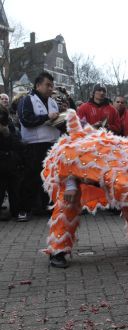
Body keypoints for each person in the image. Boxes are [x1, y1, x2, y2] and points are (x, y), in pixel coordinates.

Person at [16, 71, 61, 222]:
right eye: (48, 85)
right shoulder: (27, 100)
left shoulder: (53, 102)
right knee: (31, 178)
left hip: (51, 144)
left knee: (49, 178)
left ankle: (44, 207)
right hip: (34, 145)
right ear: (38, 85)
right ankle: (23, 209)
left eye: (52, 85)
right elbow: (26, 120)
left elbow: (58, 123)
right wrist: (47, 117)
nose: (51, 88)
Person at [0, 105, 23, 220]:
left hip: (11, 161)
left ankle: (16, 210)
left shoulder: (8, 124)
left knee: (14, 187)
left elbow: (16, 143)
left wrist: (7, 134)